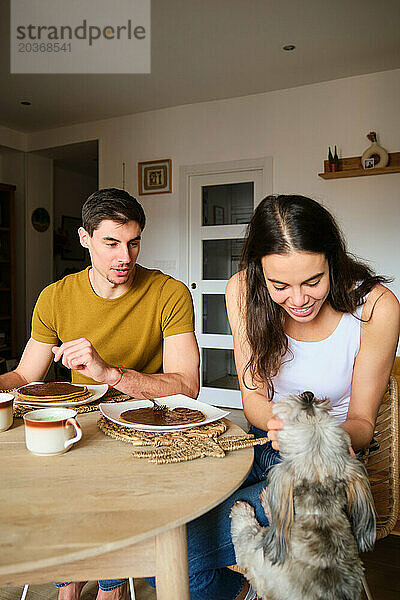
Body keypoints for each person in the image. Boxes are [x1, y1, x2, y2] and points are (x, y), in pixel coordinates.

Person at [153, 194, 399, 600]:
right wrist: (281, 428)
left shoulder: (374, 306)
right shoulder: (243, 291)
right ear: (259, 272)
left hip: (322, 468)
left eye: (313, 282)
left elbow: (361, 423)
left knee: (175, 551)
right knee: (163, 527)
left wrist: (317, 440)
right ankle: (251, 585)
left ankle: (255, 582)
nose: (298, 300)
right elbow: (254, 403)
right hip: (258, 443)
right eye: (280, 285)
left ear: (332, 261)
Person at [0, 188, 199, 600]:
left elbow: (187, 384)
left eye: (133, 242)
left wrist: (110, 373)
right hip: (79, 426)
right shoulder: (54, 297)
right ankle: (71, 581)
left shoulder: (169, 293)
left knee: (107, 490)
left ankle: (110, 584)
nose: (125, 257)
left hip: (144, 424)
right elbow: (23, 375)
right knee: (52, 479)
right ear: (84, 238)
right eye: (111, 243)